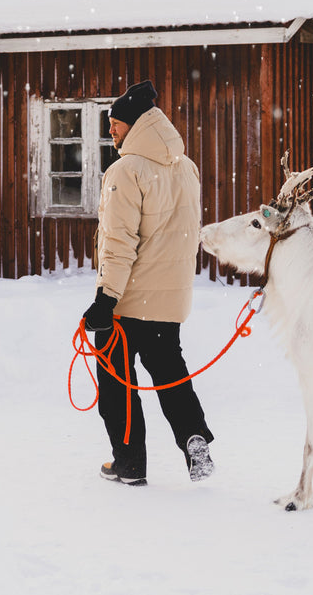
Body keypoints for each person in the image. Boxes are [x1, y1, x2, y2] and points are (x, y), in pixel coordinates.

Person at [82, 80, 214, 487]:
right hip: (169, 300)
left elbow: (118, 242)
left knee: (116, 384)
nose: (111, 130)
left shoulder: (125, 171)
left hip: (126, 300)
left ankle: (129, 464)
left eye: (116, 123)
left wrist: (106, 298)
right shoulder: (186, 167)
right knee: (171, 376)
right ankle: (194, 438)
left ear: (137, 124)